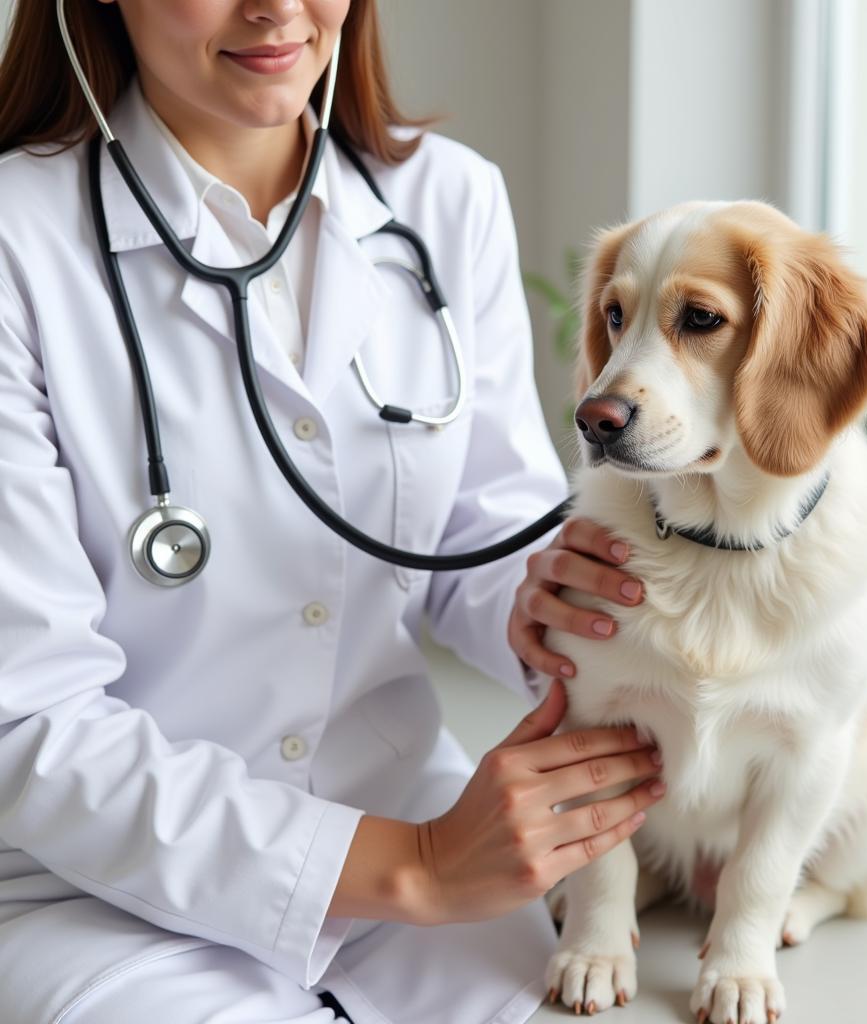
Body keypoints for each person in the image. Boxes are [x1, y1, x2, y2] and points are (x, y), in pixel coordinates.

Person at [0, 3, 664, 1022]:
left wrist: (549, 608)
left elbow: (484, 530)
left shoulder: (446, 200)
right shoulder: (17, 239)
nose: (275, 8)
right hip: (94, 893)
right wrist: (418, 864)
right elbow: (26, 717)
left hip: (414, 829)